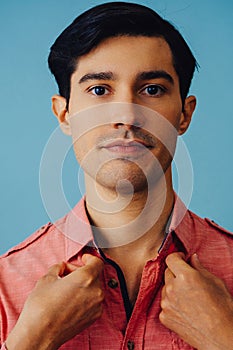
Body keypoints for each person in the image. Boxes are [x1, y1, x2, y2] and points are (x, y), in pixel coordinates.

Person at [1, 2, 233, 349]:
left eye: (152, 89)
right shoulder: (6, 283)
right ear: (64, 114)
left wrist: (225, 338)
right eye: (99, 90)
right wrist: (34, 339)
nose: (127, 115)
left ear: (184, 114)